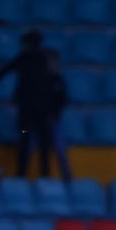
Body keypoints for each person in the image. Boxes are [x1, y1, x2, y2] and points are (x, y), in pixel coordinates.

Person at [0, 31, 60, 180]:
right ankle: (44, 174)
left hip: (27, 110)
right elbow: (55, 83)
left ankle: (21, 173)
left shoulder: (24, 57)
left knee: (25, 137)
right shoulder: (45, 58)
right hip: (43, 110)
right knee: (44, 141)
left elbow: (4, 70)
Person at [44, 49, 73, 182]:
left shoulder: (59, 80)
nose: (53, 65)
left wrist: (55, 112)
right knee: (26, 141)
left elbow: (63, 99)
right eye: (50, 62)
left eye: (55, 62)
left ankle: (67, 176)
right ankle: (23, 175)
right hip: (37, 122)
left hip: (54, 120)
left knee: (60, 147)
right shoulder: (40, 79)